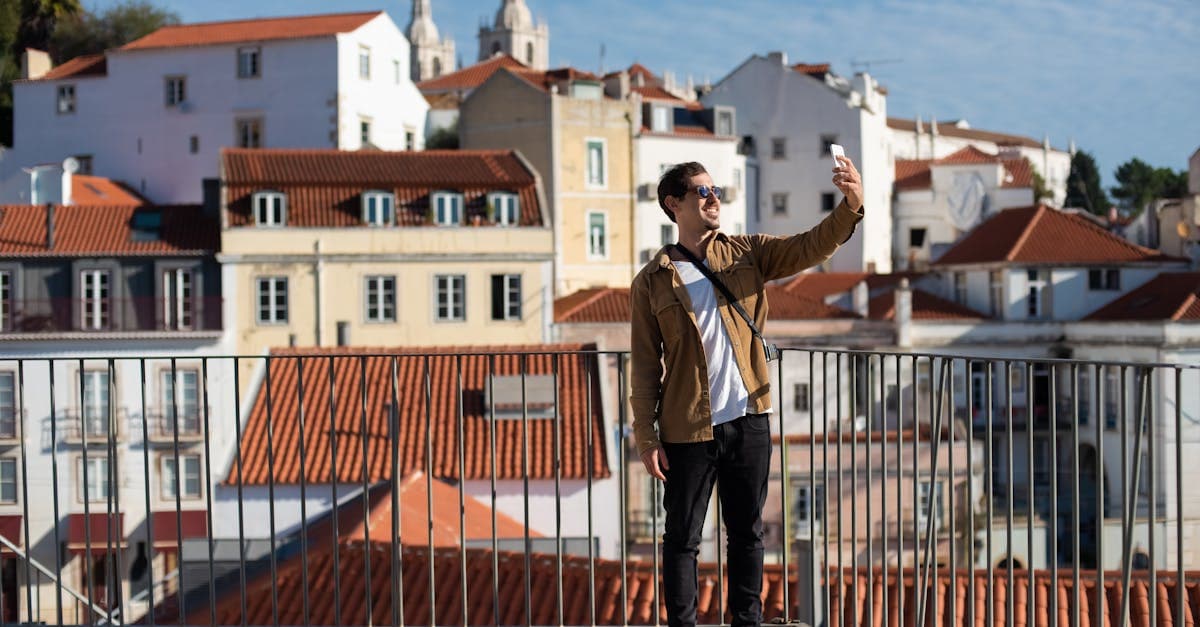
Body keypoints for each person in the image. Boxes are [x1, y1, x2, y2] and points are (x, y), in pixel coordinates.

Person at [629, 157, 864, 627]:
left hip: (749, 416)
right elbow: (643, 365)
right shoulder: (652, 281)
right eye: (701, 191)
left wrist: (851, 204)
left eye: (716, 190)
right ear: (673, 204)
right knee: (682, 536)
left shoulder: (746, 253)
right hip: (688, 426)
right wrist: (646, 436)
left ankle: (747, 621)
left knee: (748, 533)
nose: (713, 198)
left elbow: (811, 246)